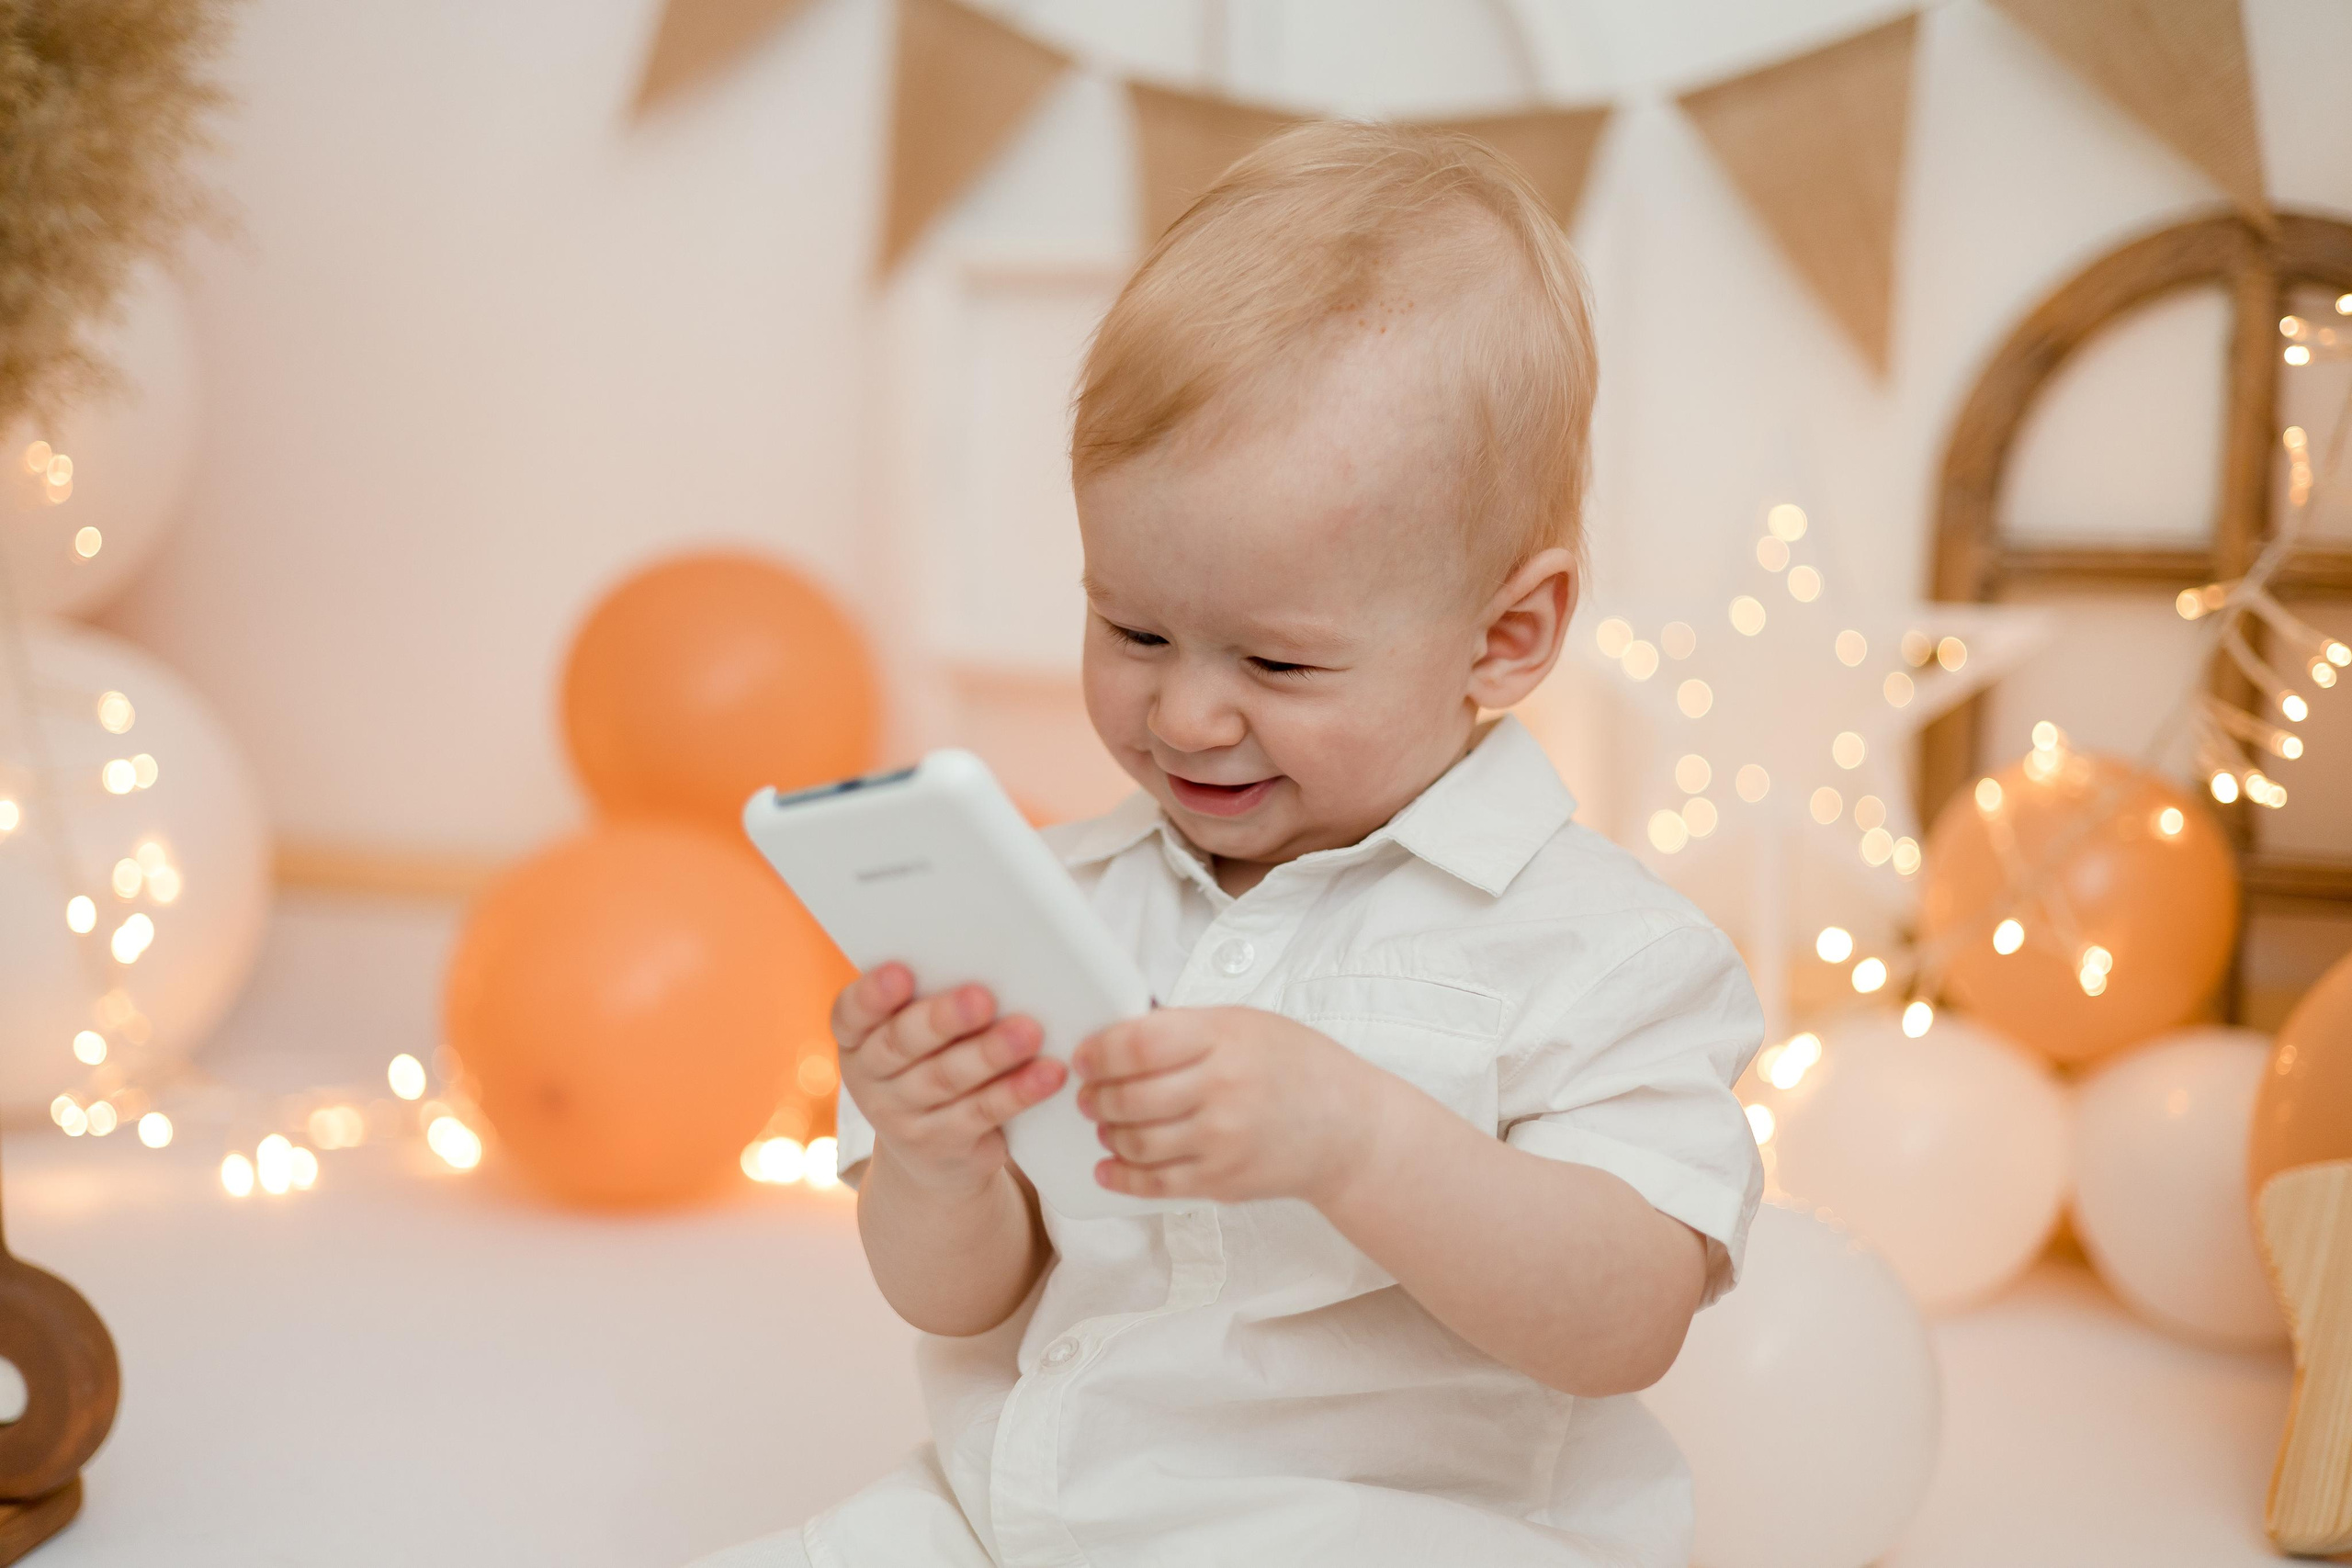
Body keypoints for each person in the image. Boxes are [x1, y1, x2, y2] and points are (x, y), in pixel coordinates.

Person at [696, 120, 1763, 1568]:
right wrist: (937, 1163)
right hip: (1023, 1513)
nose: (1187, 713)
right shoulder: (1059, 902)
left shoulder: (1601, 954)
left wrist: (1357, 1136)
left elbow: (1623, 1324)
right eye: (1132, 629)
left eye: (1279, 665)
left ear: (1505, 639)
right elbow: (957, 1302)